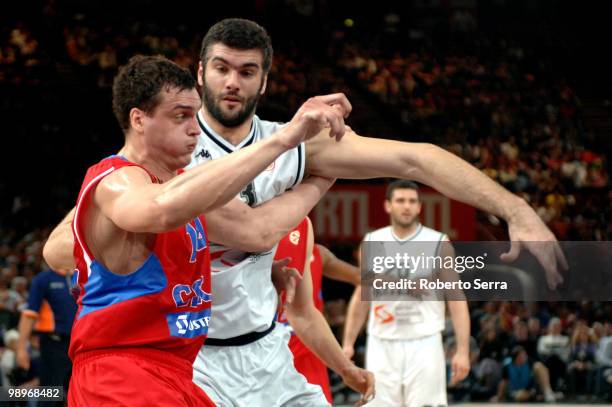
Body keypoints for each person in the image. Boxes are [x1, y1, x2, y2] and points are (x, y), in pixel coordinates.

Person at [45, 17, 567, 406]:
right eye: (222, 68)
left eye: (247, 72)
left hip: (266, 349)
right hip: (188, 358)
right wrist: (316, 182)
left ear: (265, 81)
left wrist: (515, 208)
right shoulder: (165, 156)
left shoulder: (291, 144)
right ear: (200, 72)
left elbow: (415, 157)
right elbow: (60, 248)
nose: (233, 82)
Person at [61, 54, 343, 406]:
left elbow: (261, 229)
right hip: (121, 371)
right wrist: (284, 139)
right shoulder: (116, 180)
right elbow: (157, 210)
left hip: (178, 372)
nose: (195, 128)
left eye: (195, 115)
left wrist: (321, 175)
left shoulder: (184, 188)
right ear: (138, 119)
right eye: (180, 116)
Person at [342, 180, 471, 407]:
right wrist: (348, 343)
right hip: (381, 341)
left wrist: (462, 350)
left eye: (412, 201)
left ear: (420, 207)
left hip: (425, 340)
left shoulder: (439, 242)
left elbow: (456, 299)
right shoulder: (372, 241)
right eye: (400, 201)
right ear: (388, 205)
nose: (407, 206)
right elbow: (362, 295)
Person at [274, 222, 364, 403]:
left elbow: (360, 277)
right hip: (272, 354)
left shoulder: (318, 254)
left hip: (310, 354)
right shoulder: (254, 253)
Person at [16, 267, 77, 399]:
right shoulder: (43, 279)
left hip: (79, 344)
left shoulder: (84, 276)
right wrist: (21, 348)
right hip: (54, 343)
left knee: (78, 393)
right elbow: (29, 314)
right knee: (51, 394)